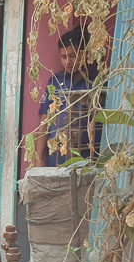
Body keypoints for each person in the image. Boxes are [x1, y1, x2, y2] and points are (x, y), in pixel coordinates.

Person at [33, 26, 100, 167]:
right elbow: (45, 123)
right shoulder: (55, 82)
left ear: (85, 54)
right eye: (63, 57)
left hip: (87, 161)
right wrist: (38, 159)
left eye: (73, 56)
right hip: (56, 161)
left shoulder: (97, 83)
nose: (67, 62)